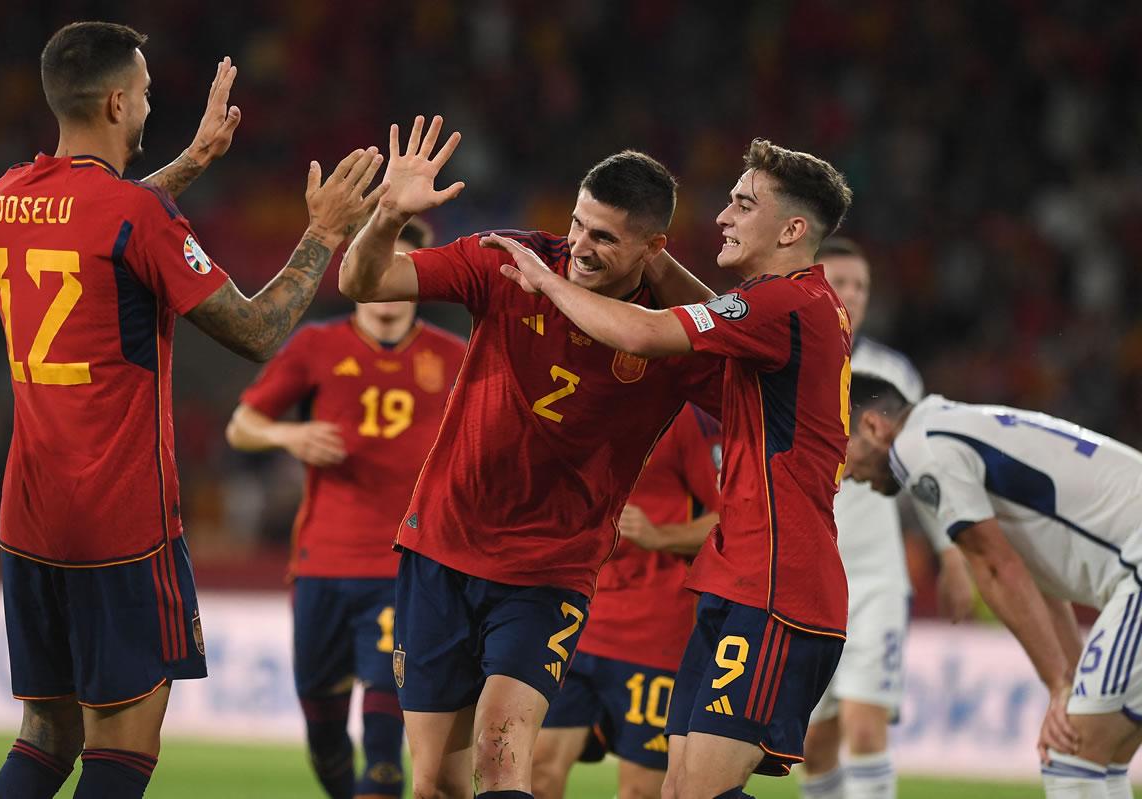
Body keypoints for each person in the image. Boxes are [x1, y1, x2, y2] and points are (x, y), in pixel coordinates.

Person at [0, 21, 387, 799]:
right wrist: (323, 234)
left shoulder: (9, 197)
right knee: (123, 743)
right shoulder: (138, 217)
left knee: (46, 730)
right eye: (141, 94)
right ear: (113, 102)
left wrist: (195, 161)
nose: (145, 106)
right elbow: (261, 329)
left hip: (26, 517)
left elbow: (105, 222)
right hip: (118, 523)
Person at [338, 115, 722, 798]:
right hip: (441, 549)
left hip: (548, 572)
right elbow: (363, 282)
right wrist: (388, 215)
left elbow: (743, 362)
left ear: (653, 248)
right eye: (578, 223)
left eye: (605, 236)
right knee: (433, 783)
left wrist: (668, 275)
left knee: (502, 756)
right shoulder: (509, 261)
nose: (580, 245)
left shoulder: (669, 336)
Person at [488, 138, 855, 798]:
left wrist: (546, 281)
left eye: (744, 204)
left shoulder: (787, 305)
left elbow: (644, 334)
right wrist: (653, 262)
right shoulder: (787, 310)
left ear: (793, 229)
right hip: (734, 578)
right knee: (678, 791)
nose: (723, 216)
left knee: (698, 792)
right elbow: (703, 311)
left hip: (778, 585)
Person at [224, 218, 466, 799]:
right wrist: (291, 438)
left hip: (404, 570)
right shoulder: (315, 346)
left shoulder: (456, 356)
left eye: (401, 267)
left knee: (384, 754)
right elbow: (242, 426)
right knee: (326, 736)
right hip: (321, 567)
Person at [843, 377, 1142, 799]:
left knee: (1070, 754)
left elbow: (996, 567)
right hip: (1133, 562)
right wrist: (1067, 677)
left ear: (874, 426)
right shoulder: (952, 427)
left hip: (1138, 562)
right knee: (1099, 756)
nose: (846, 474)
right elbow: (1036, 579)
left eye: (843, 451)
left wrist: (1058, 684)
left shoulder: (918, 450)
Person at [800, 237, 974, 799]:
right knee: (816, 745)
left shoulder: (893, 373)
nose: (852, 295)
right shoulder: (786, 356)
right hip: (805, 580)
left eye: (861, 286)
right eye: (840, 282)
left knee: (865, 727)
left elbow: (927, 471)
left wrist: (951, 555)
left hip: (875, 578)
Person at [532, 403, 722, 799]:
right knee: (539, 770)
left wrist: (660, 536)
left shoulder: (686, 416)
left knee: (641, 790)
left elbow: (735, 518)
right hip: (573, 620)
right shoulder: (580, 396)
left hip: (654, 631)